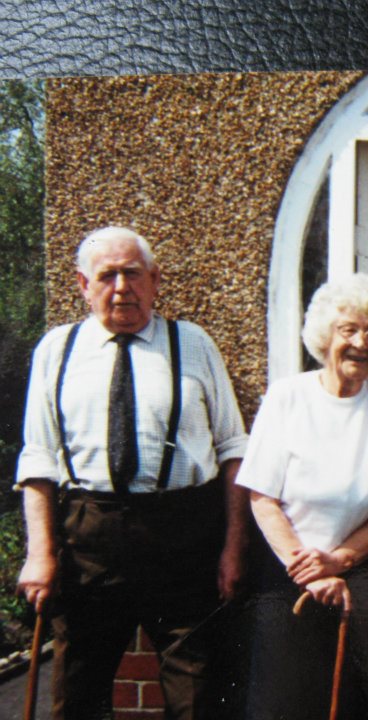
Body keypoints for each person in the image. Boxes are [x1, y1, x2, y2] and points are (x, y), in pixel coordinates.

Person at [15, 226, 249, 719]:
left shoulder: (193, 343)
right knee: (77, 691)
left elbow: (233, 448)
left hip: (185, 537)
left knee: (198, 693)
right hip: (89, 538)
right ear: (83, 284)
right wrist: (39, 554)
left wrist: (233, 546)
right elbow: (37, 458)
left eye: (132, 274)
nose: (121, 287)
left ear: (155, 280)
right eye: (107, 276)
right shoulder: (57, 350)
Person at [236, 273, 368, 720]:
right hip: (288, 565)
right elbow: (262, 497)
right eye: (349, 330)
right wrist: (309, 569)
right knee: (286, 695)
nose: (361, 342)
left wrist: (339, 561)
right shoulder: (287, 397)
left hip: (361, 562)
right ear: (325, 337)